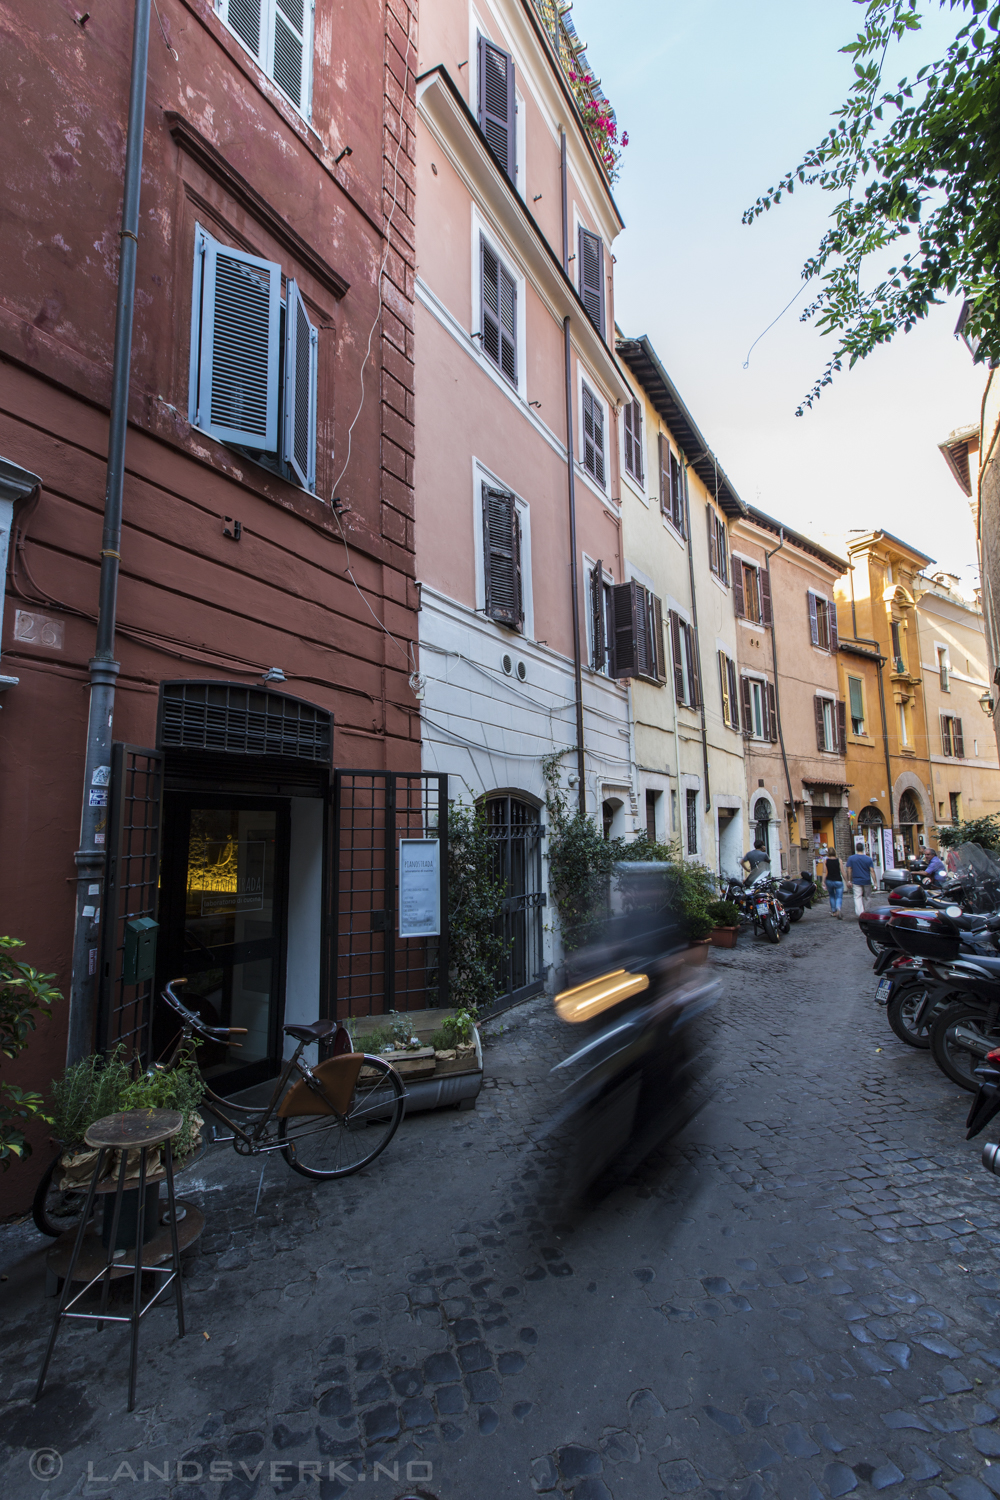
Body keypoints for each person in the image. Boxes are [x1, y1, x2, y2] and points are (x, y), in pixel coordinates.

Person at [845, 840, 877, 916]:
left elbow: (849, 869)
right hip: (866, 880)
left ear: (856, 849)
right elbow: (872, 871)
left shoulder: (851, 858)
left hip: (856, 881)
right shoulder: (868, 859)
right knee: (867, 897)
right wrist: (875, 882)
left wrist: (849, 880)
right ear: (863, 849)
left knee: (857, 897)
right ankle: (867, 911)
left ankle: (860, 913)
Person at [825, 852, 844, 918]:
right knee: (839, 896)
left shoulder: (826, 861)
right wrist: (847, 880)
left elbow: (824, 872)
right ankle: (838, 908)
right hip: (838, 880)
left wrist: (822, 881)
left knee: (832, 896)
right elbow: (842, 871)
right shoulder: (839, 860)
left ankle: (834, 911)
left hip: (829, 880)